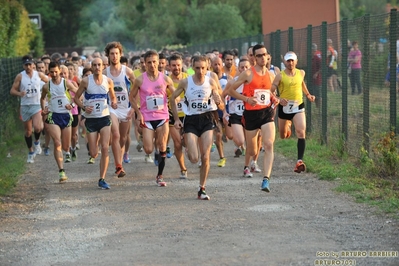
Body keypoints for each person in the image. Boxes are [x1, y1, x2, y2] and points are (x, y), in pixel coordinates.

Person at [170, 55, 225, 200]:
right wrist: (176, 119)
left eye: (203, 68)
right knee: (194, 159)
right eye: (197, 68)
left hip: (207, 119)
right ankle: (189, 146)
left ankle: (202, 188)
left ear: (207, 67)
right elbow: (171, 99)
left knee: (205, 156)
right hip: (191, 120)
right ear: (192, 68)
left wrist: (218, 99)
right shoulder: (185, 82)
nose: (200, 71)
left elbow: (220, 101)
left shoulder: (211, 81)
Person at [227, 44, 277, 193]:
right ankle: (248, 163)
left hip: (266, 113)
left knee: (268, 144)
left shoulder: (271, 75)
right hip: (251, 115)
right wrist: (246, 99)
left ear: (268, 56)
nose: (262, 58)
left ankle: (266, 179)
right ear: (254, 58)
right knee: (252, 149)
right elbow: (231, 90)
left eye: (264, 55)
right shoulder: (248, 74)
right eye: (259, 55)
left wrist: (276, 99)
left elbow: (268, 93)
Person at [129, 50, 175, 187]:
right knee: (148, 149)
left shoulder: (165, 78)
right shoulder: (140, 80)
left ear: (159, 62)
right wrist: (138, 113)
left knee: (162, 145)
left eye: (154, 62)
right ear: (145, 64)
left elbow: (175, 92)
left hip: (162, 116)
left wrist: (177, 98)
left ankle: (160, 175)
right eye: (149, 62)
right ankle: (148, 145)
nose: (152, 65)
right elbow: (131, 97)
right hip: (147, 118)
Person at [74, 57, 118, 189]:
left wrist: (114, 103)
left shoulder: (108, 81)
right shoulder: (86, 81)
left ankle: (102, 178)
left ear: (103, 67)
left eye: (99, 65)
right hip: (91, 119)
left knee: (105, 148)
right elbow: (76, 98)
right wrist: (83, 107)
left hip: (104, 118)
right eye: (95, 65)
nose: (97, 67)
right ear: (91, 67)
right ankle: (94, 145)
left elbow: (113, 96)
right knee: (93, 153)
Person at [272, 51, 315, 174]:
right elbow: (271, 91)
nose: (290, 63)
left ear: (296, 61)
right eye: (288, 61)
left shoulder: (301, 72)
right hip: (284, 108)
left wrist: (308, 95)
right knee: (282, 135)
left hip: (298, 106)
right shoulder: (280, 76)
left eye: (292, 61)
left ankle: (299, 161)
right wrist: (279, 99)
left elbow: (301, 83)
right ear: (284, 62)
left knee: (301, 132)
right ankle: (288, 126)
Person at [40, 61, 78, 182]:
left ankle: (69, 150)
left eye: (56, 72)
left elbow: (79, 95)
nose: (54, 74)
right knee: (57, 143)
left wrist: (72, 105)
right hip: (53, 116)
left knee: (65, 146)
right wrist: (43, 108)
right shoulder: (47, 86)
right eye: (52, 72)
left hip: (66, 116)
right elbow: (42, 98)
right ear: (49, 72)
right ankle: (61, 171)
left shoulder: (66, 83)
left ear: (59, 72)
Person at [104, 41, 136, 177]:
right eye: (112, 54)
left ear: (120, 54)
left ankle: (120, 158)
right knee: (115, 135)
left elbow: (138, 89)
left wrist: (134, 108)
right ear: (108, 56)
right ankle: (118, 166)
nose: (114, 56)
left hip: (126, 108)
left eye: (116, 54)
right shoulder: (105, 73)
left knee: (123, 138)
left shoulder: (127, 71)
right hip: (112, 108)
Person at [10, 55, 48, 163]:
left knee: (37, 127)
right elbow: (12, 90)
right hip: (25, 105)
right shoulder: (20, 76)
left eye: (30, 65)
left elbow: (49, 82)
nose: (28, 67)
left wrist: (46, 93)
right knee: (28, 131)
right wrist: (19, 93)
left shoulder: (39, 75)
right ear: (23, 66)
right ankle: (30, 152)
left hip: (36, 104)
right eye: (26, 65)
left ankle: (36, 142)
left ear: (33, 65)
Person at [222, 58, 251, 176]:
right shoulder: (232, 82)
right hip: (235, 115)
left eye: (246, 67)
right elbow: (223, 95)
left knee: (250, 143)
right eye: (242, 67)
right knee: (240, 140)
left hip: (250, 114)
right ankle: (238, 146)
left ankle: (247, 167)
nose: (244, 69)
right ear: (238, 68)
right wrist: (224, 111)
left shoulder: (253, 82)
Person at [167, 53, 189, 179]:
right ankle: (183, 169)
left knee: (186, 142)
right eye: (174, 65)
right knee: (177, 144)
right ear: (169, 66)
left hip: (187, 115)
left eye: (178, 65)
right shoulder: (166, 81)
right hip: (172, 115)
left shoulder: (188, 79)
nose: (176, 68)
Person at [311, 43, 322, 108]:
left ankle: (319, 108)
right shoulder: (310, 58)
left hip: (317, 80)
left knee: (317, 94)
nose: (313, 52)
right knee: (313, 94)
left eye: (314, 50)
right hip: (311, 80)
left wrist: (317, 73)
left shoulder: (317, 58)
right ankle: (316, 107)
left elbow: (321, 67)